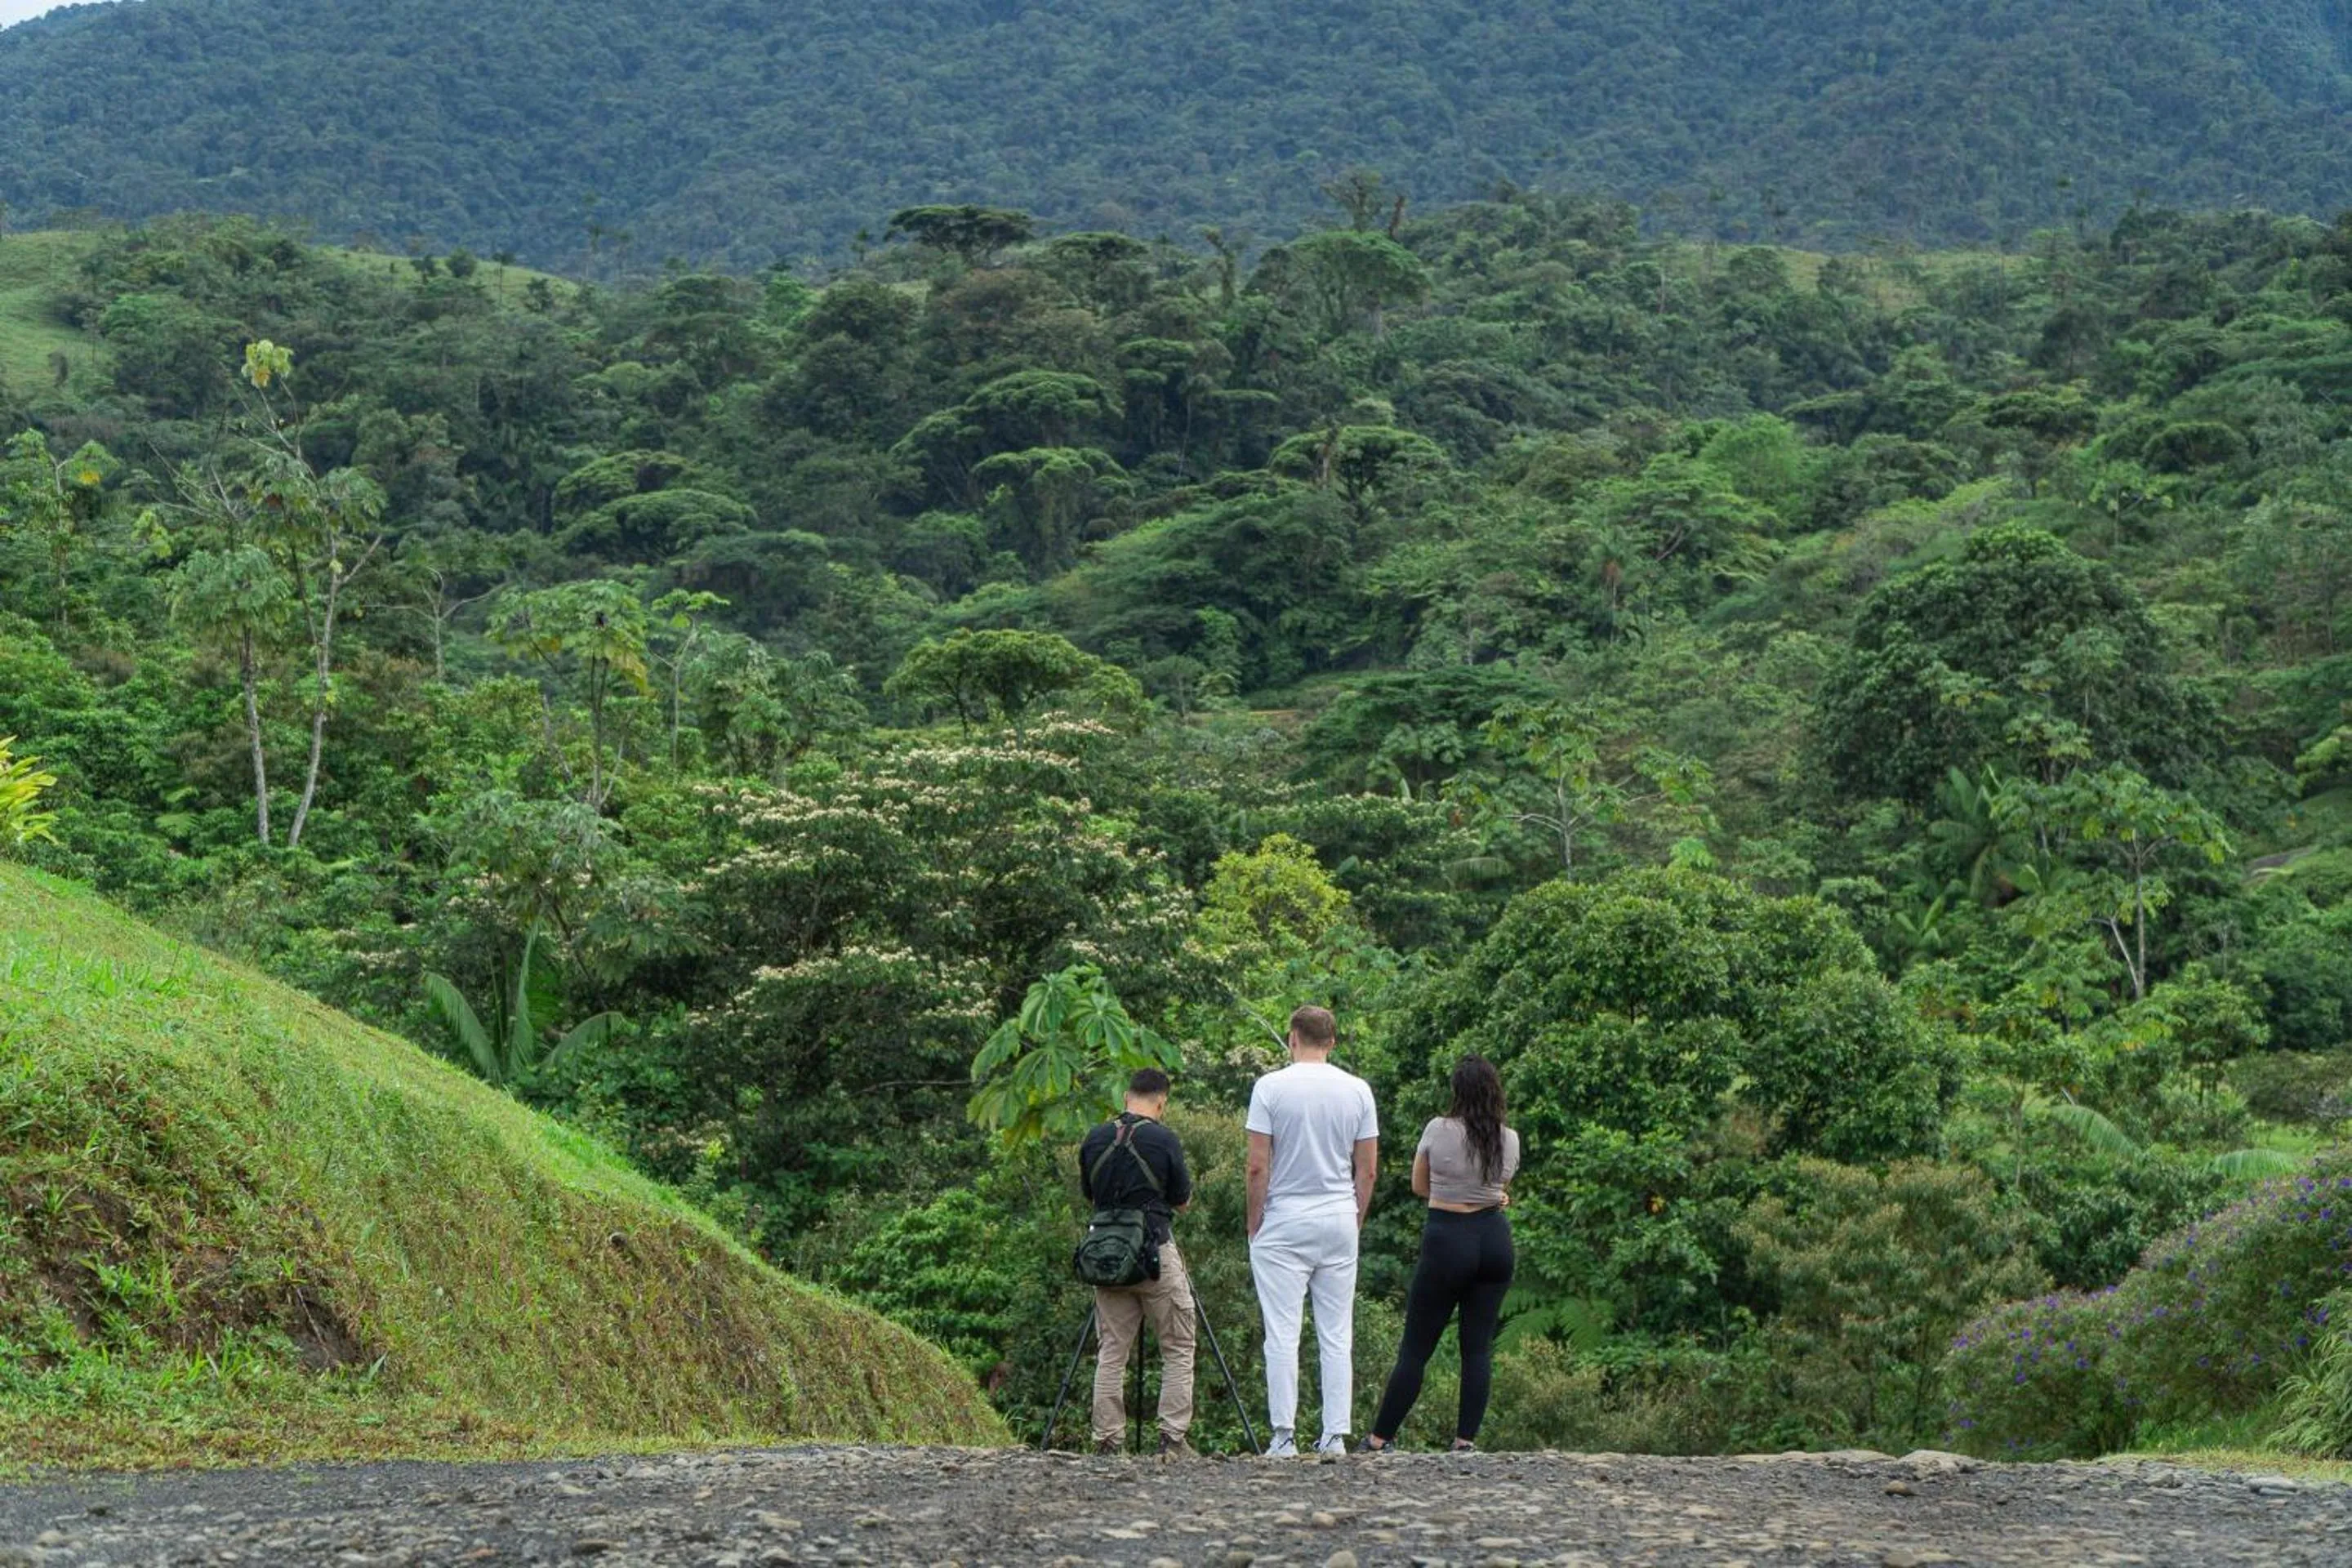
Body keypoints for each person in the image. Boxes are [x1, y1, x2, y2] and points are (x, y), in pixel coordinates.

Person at [1358, 1055, 1520, 1454]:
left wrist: (1451, 1192)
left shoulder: (1438, 1128)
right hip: (1495, 1241)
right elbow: (1498, 1189)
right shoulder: (1509, 1137)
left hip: (1449, 1239)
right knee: (1478, 1349)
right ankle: (1465, 1441)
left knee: (1416, 1347)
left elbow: (1418, 1185)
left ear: (1457, 1091)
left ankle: (1380, 1439)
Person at [1245, 1004, 1378, 1457]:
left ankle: (1284, 1436)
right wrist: (1354, 1217)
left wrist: (1253, 1220)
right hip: (1339, 1216)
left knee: (1282, 1331)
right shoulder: (1358, 1090)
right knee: (1336, 1331)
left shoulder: (1270, 1088)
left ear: (1292, 1037)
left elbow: (1258, 1165)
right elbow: (1369, 1170)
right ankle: (1334, 1435)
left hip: (1284, 1218)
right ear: (1332, 1042)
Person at [1077, 1067, 1198, 1459]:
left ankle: (1108, 1440)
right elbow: (1182, 1201)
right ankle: (1172, 1439)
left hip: (1106, 1256)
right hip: (1153, 1252)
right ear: (1161, 1101)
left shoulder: (1095, 1138)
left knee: (1112, 1350)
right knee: (1178, 1345)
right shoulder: (1163, 1139)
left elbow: (1089, 1193)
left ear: (1126, 1096)